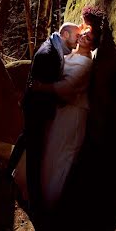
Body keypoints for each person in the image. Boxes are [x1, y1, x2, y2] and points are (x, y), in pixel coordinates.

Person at [8, 22, 81, 218]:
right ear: (65, 34)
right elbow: (42, 87)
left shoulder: (55, 47)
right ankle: (33, 200)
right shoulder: (48, 53)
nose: (77, 40)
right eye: (75, 35)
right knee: (35, 153)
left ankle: (7, 172)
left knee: (25, 140)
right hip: (36, 109)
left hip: (35, 107)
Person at [35, 25, 98, 210]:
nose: (82, 37)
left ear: (93, 46)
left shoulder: (86, 63)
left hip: (74, 114)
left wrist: (41, 87)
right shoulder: (70, 54)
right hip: (61, 111)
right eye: (83, 33)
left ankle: (51, 203)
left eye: (88, 38)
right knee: (51, 152)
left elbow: (67, 87)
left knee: (63, 156)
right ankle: (42, 197)